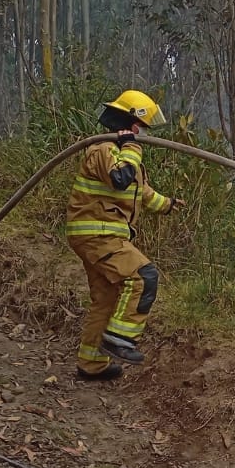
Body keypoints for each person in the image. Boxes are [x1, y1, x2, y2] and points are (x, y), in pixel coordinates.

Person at [65, 90, 186, 382]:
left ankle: (92, 364)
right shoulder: (105, 150)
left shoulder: (120, 154)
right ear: (133, 125)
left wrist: (167, 204)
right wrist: (132, 148)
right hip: (98, 234)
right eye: (142, 128)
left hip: (98, 235)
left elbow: (138, 191)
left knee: (106, 298)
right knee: (143, 277)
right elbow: (120, 181)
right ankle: (119, 339)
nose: (143, 134)